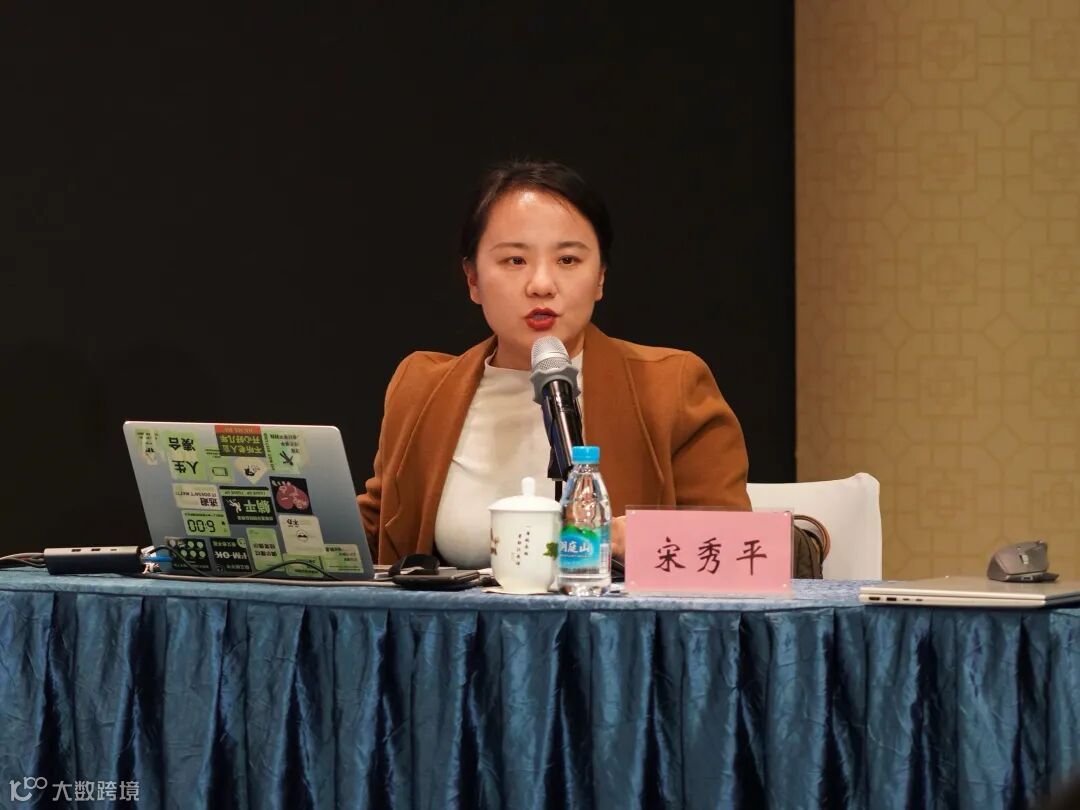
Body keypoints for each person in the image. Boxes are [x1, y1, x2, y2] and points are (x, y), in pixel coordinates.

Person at [357, 160, 807, 571]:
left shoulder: (671, 386)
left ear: (600, 278)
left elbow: (736, 549)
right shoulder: (422, 387)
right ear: (473, 279)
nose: (541, 284)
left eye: (568, 260)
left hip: (619, 633)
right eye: (515, 260)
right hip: (454, 633)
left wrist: (630, 539)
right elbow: (378, 530)